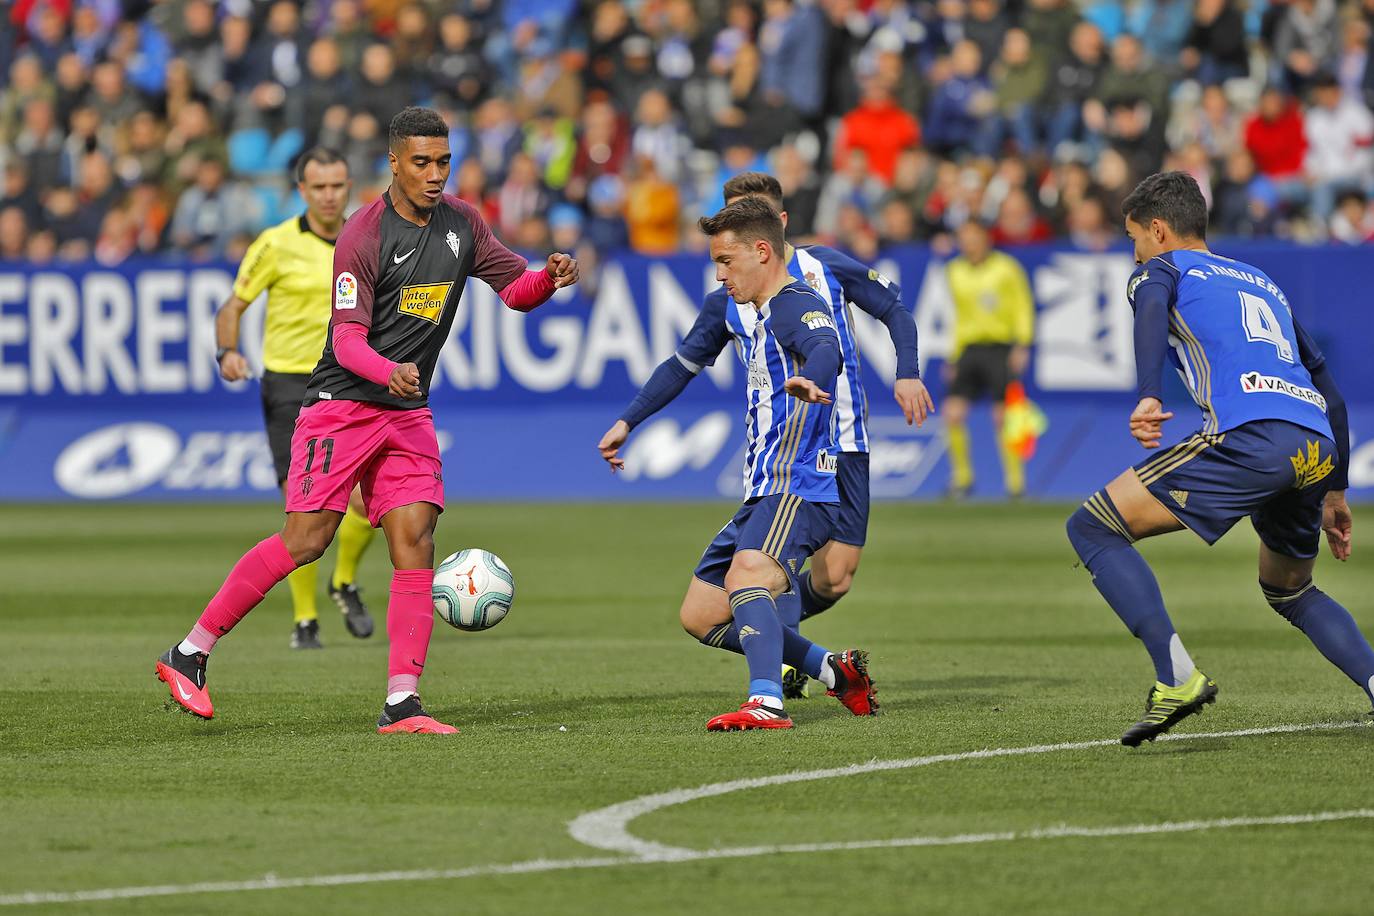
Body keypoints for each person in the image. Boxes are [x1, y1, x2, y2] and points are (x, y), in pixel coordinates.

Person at [156, 107, 579, 734]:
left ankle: (402, 702)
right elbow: (347, 339)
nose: (435, 175)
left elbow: (515, 291)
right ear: (394, 161)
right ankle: (188, 653)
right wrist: (391, 372)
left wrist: (550, 277)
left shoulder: (463, 222)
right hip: (342, 406)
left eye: (443, 162)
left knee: (416, 541)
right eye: (421, 163)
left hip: (406, 412)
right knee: (307, 541)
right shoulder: (363, 234)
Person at [1066, 171, 1374, 746]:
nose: (1134, 253)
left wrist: (1150, 393)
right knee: (1291, 589)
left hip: (1252, 436)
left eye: (1135, 238)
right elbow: (1324, 381)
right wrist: (1335, 488)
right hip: (1313, 444)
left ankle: (1177, 677)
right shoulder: (1261, 281)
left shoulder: (1161, 269)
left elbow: (1152, 306)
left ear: (1158, 230)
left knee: (1093, 527)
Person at [598, 197, 878, 731]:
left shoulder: (797, 302)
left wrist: (812, 377)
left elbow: (826, 345)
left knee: (749, 575)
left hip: (802, 484)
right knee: (701, 615)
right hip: (764, 487)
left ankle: (766, 701)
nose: (720, 275)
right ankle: (834, 670)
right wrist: (628, 421)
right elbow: (681, 367)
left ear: (762, 251)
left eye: (726, 262)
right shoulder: (744, 309)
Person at [704, 172, 931, 698]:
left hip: (845, 435)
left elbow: (882, 315)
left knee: (834, 578)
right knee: (760, 567)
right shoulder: (737, 295)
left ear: (776, 224)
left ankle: (783, 646)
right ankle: (779, 669)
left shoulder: (815, 271)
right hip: (790, 453)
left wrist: (907, 370)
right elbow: (686, 362)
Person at [216, 147, 378, 650]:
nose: (329, 195)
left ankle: (343, 580)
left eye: (337, 185)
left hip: (351, 381)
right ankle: (305, 620)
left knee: (370, 503)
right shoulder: (275, 243)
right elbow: (233, 306)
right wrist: (227, 351)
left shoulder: (367, 237)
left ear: (349, 185)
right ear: (301, 191)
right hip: (290, 386)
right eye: (318, 187)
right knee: (301, 506)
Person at [942, 219, 1035, 499]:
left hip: (1000, 348)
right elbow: (958, 316)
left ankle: (1015, 483)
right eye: (964, 237)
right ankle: (962, 478)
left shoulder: (1006, 268)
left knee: (1004, 416)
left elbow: (1023, 306)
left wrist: (1023, 343)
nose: (968, 243)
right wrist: (953, 355)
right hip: (970, 349)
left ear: (986, 239)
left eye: (973, 237)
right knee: (953, 412)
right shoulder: (954, 271)